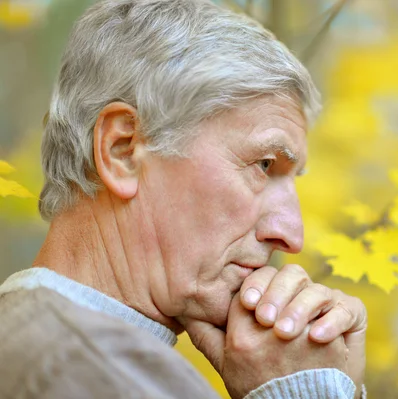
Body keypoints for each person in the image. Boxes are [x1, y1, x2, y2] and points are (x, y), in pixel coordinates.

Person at [0, 0, 368, 398]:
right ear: (122, 151)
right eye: (264, 165)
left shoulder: (47, 347)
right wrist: (305, 392)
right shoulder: (88, 366)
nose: (291, 235)